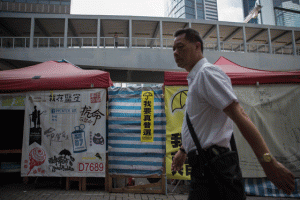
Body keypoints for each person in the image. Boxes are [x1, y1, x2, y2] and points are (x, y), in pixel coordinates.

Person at [171, 28, 295, 200]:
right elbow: (202, 125)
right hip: (204, 166)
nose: (176, 53)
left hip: (214, 166)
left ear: (197, 46)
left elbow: (240, 115)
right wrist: (183, 150)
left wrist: (268, 162)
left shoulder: (207, 74)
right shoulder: (196, 78)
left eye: (180, 47)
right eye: (173, 49)